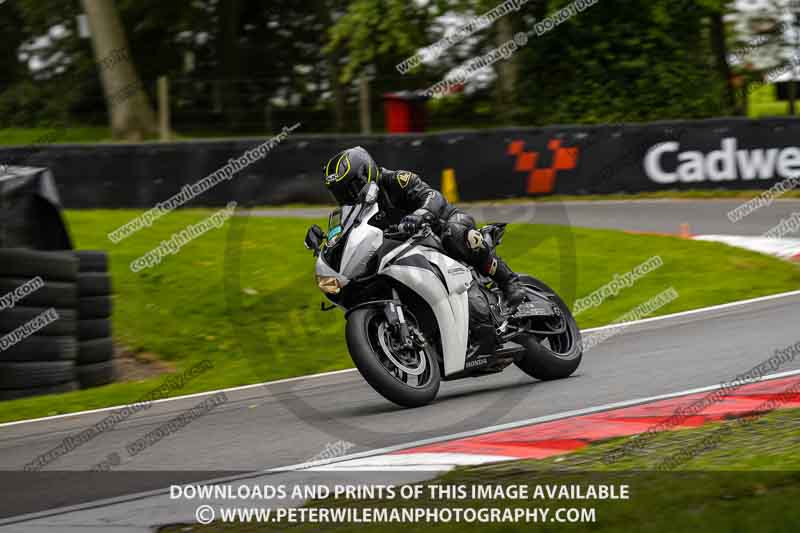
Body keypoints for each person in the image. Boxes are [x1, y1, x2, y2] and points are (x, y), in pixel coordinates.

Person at [320, 146, 526, 306]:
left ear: (367, 172)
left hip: (439, 226)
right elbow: (353, 238)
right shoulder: (357, 211)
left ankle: (509, 281)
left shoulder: (395, 180)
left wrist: (421, 214)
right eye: (340, 193)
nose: (347, 197)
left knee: (454, 234)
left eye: (351, 188)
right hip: (406, 251)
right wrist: (328, 242)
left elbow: (432, 195)